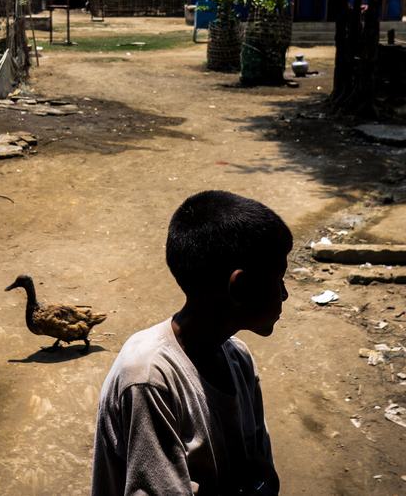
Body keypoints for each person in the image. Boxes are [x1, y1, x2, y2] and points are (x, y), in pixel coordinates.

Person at [92, 190, 291, 495]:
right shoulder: (148, 378)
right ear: (240, 287)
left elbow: (264, 474)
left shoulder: (237, 358)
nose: (284, 293)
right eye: (278, 279)